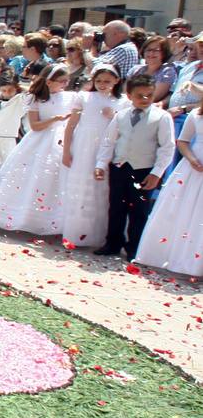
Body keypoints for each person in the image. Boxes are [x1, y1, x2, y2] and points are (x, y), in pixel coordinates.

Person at [0, 65, 76, 235]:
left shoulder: (71, 97)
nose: (65, 84)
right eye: (61, 81)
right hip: (41, 140)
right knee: (34, 178)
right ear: (49, 82)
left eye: (67, 81)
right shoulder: (36, 99)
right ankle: (25, 218)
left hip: (63, 140)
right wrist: (55, 119)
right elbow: (35, 126)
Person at [93, 73, 175, 258]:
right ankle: (113, 243)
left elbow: (167, 147)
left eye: (149, 95)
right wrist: (101, 164)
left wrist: (157, 173)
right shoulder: (121, 116)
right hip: (120, 166)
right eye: (140, 95)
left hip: (143, 169)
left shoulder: (162, 117)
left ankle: (134, 247)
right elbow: (109, 142)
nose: (145, 99)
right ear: (129, 96)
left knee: (139, 209)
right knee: (116, 207)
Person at [61, 65, 126, 248]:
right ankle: (75, 232)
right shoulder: (84, 97)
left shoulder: (122, 102)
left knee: (102, 190)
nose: (102, 85)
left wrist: (114, 115)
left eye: (107, 81)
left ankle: (99, 234)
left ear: (116, 81)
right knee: (81, 187)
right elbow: (71, 126)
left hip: (107, 146)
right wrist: (66, 151)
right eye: (98, 81)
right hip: (83, 145)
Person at [135, 104, 203, 275]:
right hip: (193, 168)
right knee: (184, 211)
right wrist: (192, 159)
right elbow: (183, 141)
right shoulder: (196, 114)